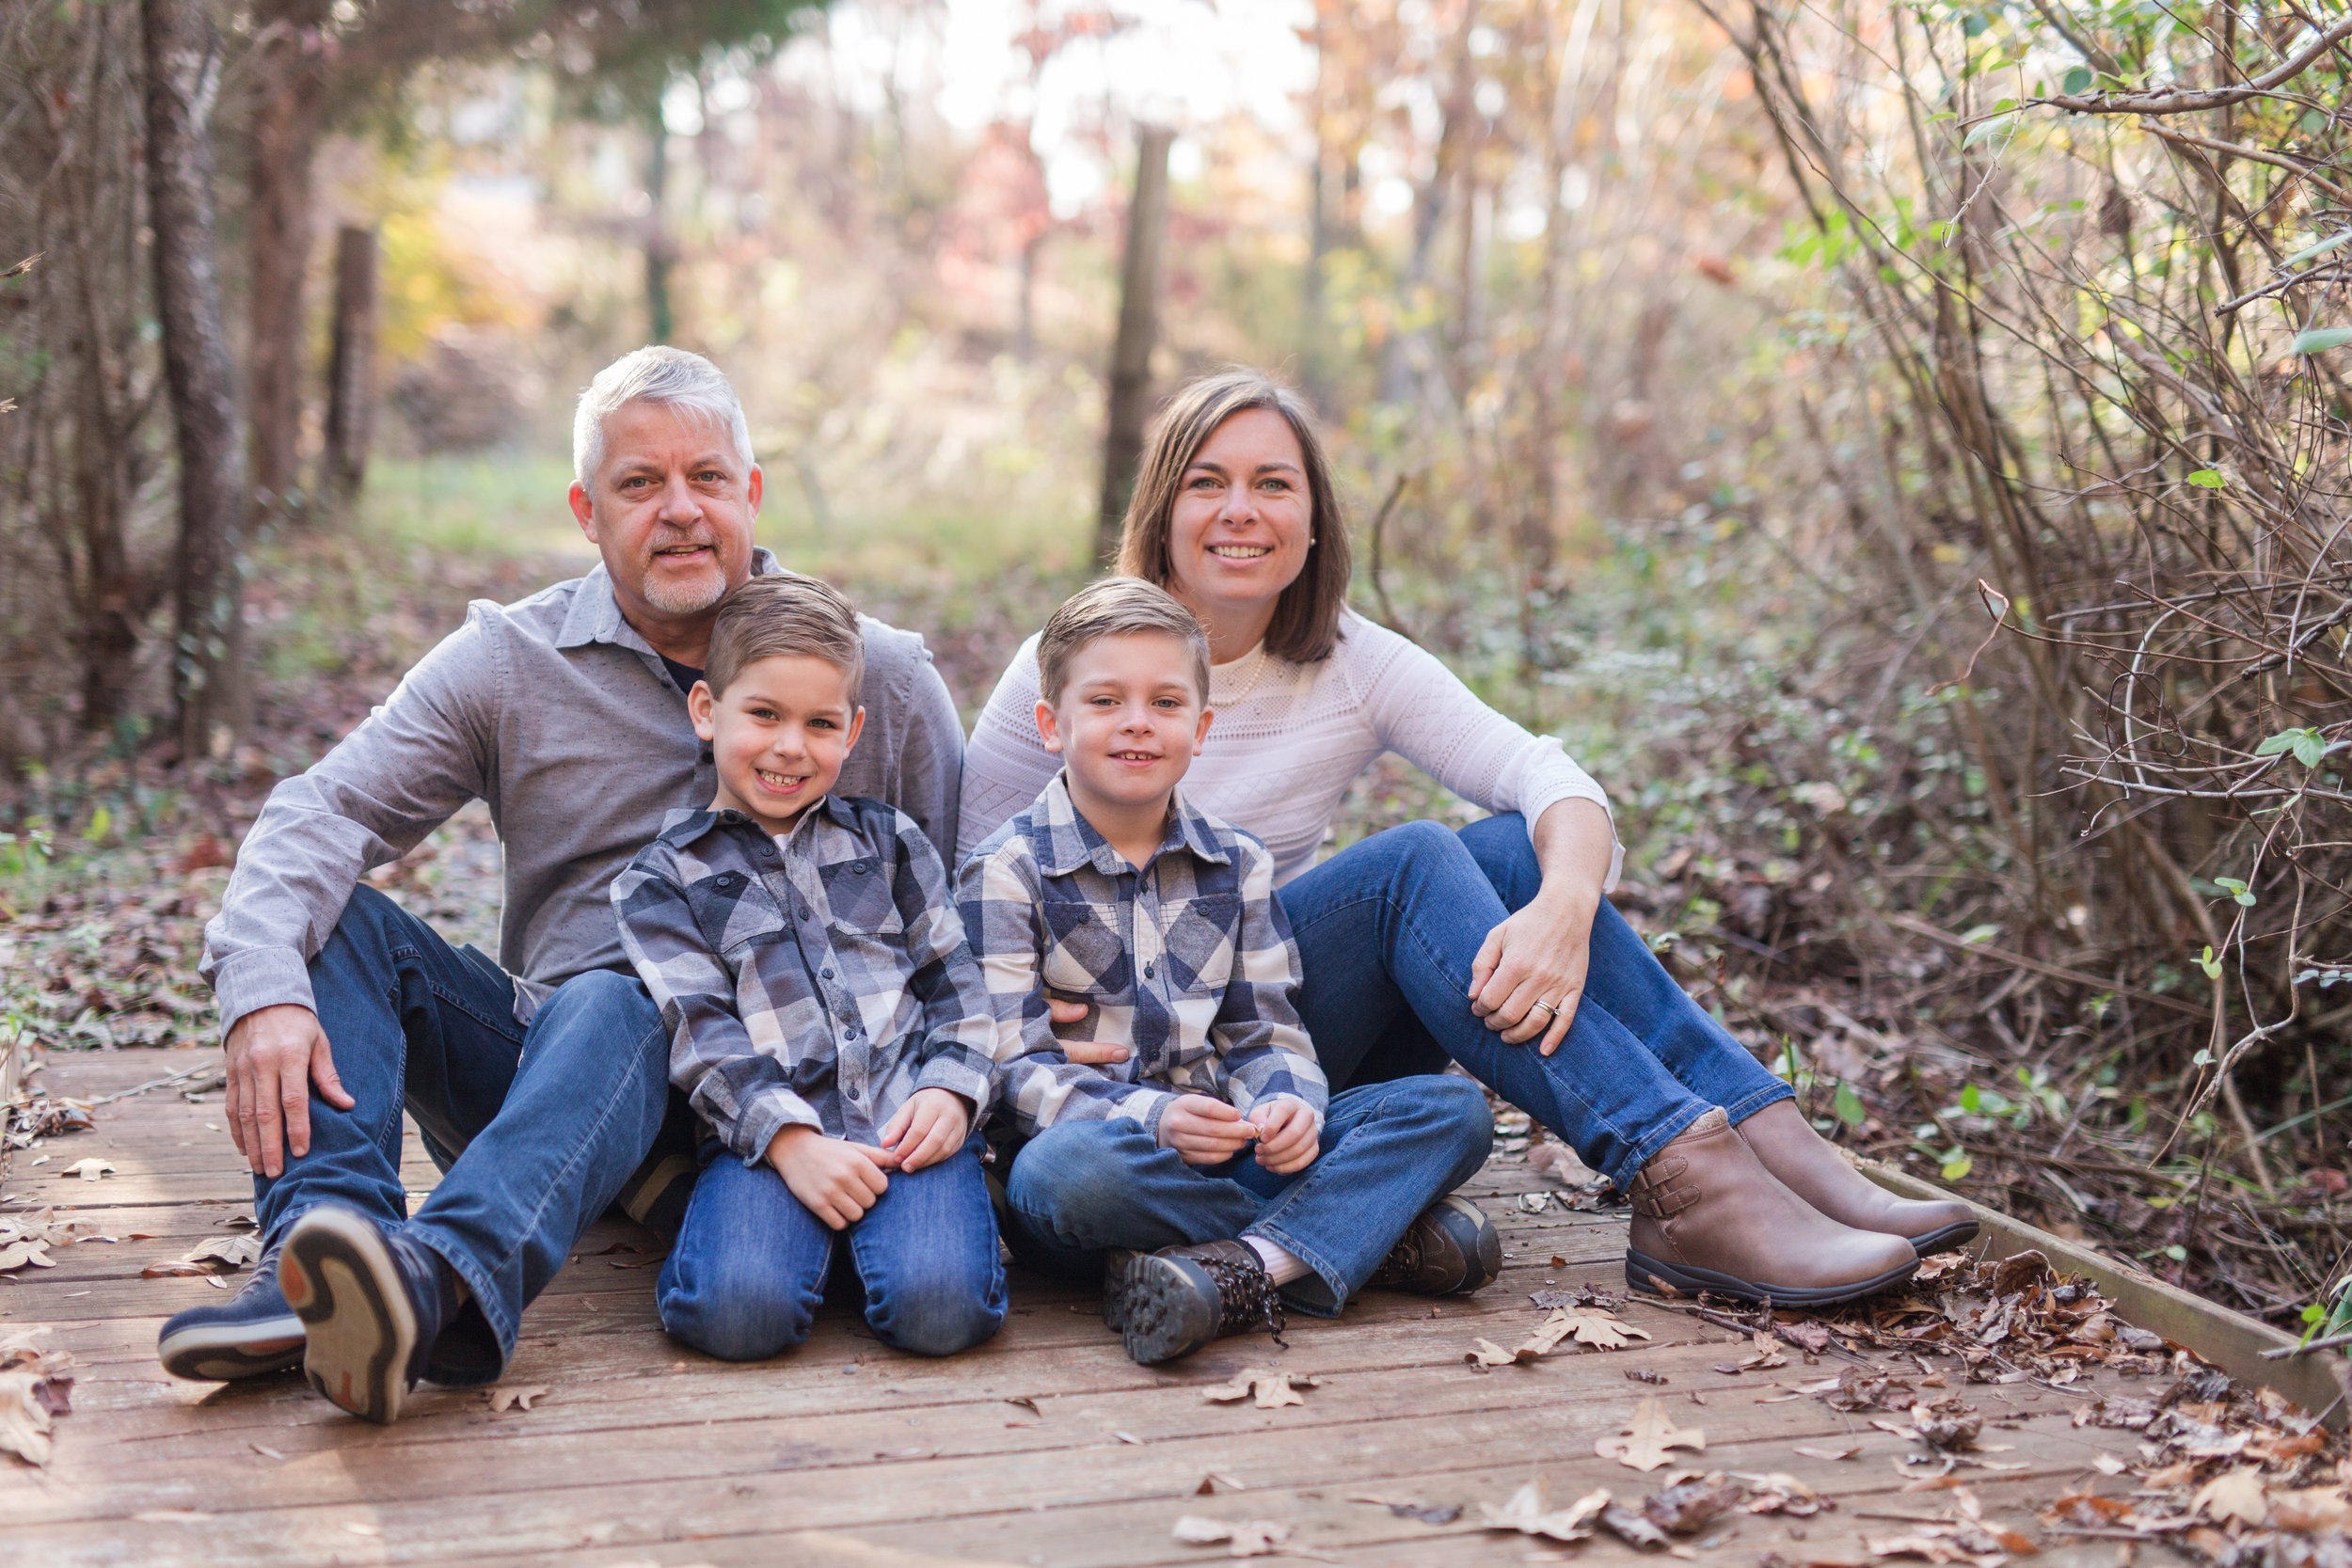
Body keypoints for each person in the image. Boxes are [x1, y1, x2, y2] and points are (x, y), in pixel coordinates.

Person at [959, 369, 1975, 1307]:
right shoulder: (1070, 667)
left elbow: (1547, 776)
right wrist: (1065, 1012)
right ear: (1161, 512)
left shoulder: (1352, 660)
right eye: (1206, 482)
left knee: (1512, 849)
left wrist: (1566, 908)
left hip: (1271, 1036)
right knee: (1409, 865)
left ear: (1312, 520)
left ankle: (1764, 1150)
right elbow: (968, 893)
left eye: (1273, 483)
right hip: (1115, 1068)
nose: (1240, 510)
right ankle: (1663, 1176)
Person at [167, 347, 966, 1422]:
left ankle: (436, 1278)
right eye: (641, 484)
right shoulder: (509, 661)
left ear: (751, 491)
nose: (679, 511)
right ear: (589, 511)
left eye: (706, 478)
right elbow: (323, 810)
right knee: (335, 917)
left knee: (626, 989)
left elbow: (969, 907)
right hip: (555, 1080)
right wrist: (261, 986)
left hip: (798, 1104)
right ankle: (323, 1258)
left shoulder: (879, 680)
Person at [960, 577, 1501, 1365]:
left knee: (1451, 1110)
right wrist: (1153, 1116)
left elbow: (1264, 1029)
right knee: (1063, 1174)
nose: (1138, 723)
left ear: (1201, 726)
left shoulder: (1236, 863)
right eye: (1106, 701)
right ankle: (1356, 1236)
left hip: (1229, 1142)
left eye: (1166, 703)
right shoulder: (1004, 873)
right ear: (1051, 723)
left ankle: (1247, 1267)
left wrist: (1287, 1104)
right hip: (1104, 1160)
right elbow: (1012, 1069)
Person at [610, 573, 1005, 1362]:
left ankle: (896, 1238)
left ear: (852, 731)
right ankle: (794, 1237)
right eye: (763, 714)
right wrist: (789, 1140)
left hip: (906, 1122)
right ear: (705, 711)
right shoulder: (661, 878)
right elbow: (701, 1032)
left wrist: (950, 1090)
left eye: (820, 723)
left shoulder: (891, 842)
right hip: (771, 1136)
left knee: (942, 1313)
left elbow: (956, 986)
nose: (791, 745)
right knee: (734, 1318)